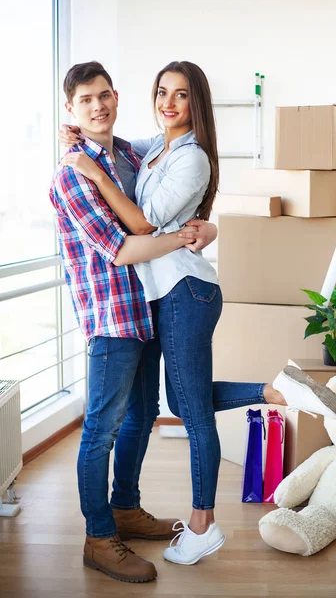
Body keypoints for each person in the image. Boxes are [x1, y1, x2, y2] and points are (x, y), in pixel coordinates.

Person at [61, 59, 336, 568]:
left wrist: (198, 230)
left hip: (182, 291)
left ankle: (203, 525)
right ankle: (275, 391)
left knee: (188, 414)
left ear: (198, 103)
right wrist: (82, 143)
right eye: (163, 92)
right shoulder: (142, 150)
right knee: (171, 402)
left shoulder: (186, 158)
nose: (169, 103)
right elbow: (124, 221)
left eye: (182, 95)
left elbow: (143, 225)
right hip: (139, 303)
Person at [50, 60, 218, 585]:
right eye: (85, 101)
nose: (97, 106)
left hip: (146, 310)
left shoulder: (128, 152)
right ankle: (99, 537)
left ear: (117, 97)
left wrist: (209, 224)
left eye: (104, 96)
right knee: (100, 430)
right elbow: (123, 248)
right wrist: (189, 238)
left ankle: (125, 507)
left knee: (142, 416)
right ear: (71, 109)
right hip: (110, 317)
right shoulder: (72, 177)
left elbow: (179, 153)